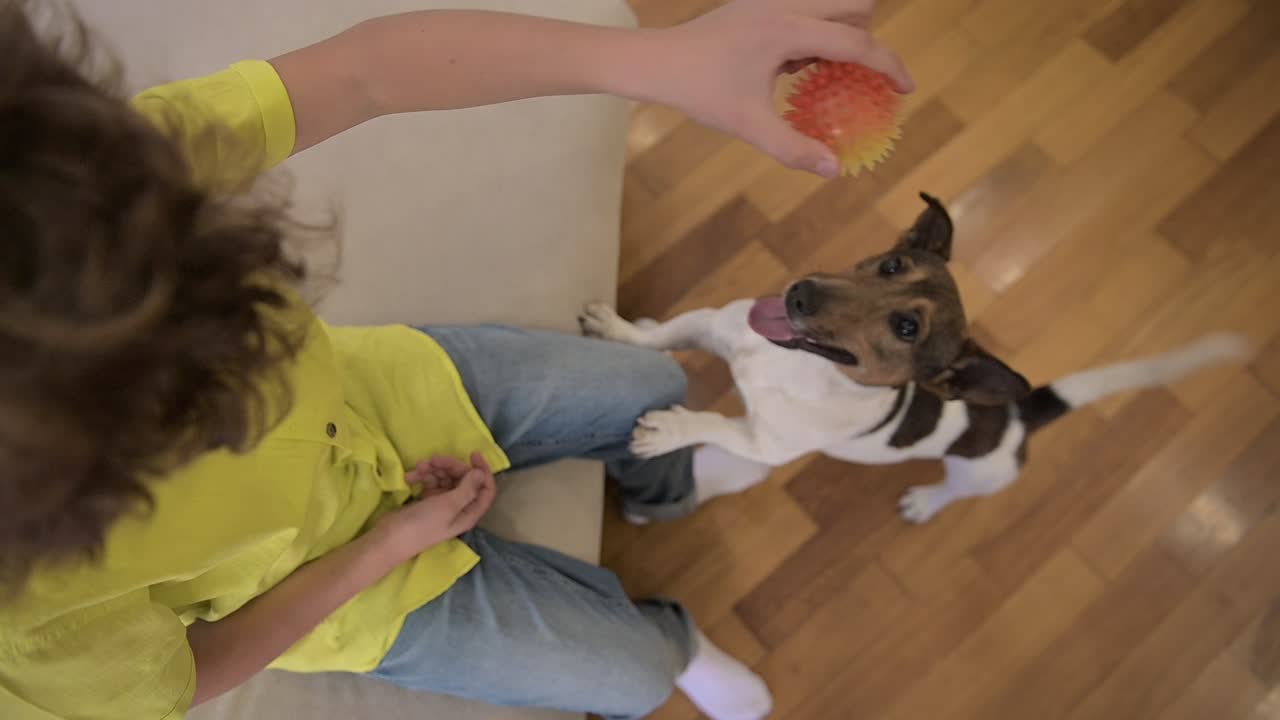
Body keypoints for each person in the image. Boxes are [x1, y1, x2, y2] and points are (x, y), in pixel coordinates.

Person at [0, 1, 912, 718]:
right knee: (634, 676)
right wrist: (385, 546)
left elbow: (361, 72)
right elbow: (185, 675)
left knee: (656, 386)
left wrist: (667, 59)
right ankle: (667, 633)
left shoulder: (72, 188)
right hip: (329, 585)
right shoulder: (25, 630)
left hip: (378, 397)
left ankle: (661, 492)